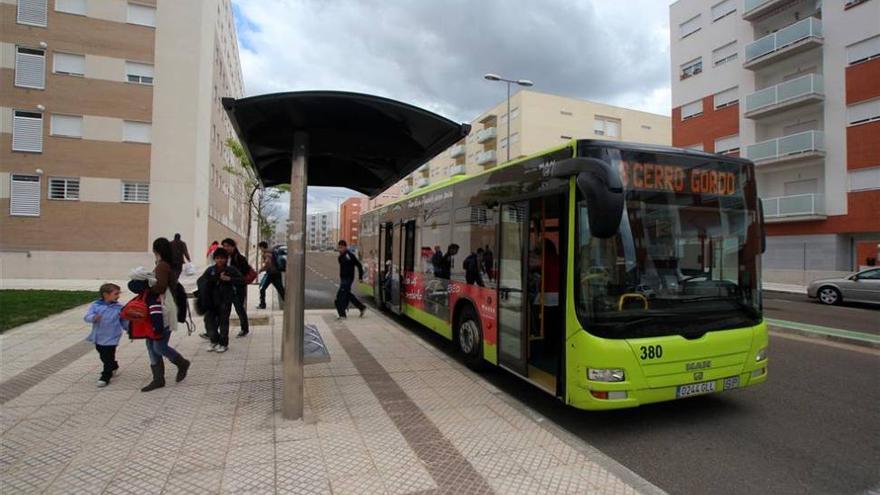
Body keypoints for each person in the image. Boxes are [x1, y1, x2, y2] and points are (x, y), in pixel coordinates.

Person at [141, 237, 191, 392]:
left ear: (156, 250)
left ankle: (181, 362)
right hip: (161, 307)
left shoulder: (162, 265)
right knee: (151, 343)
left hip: (163, 308)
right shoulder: (165, 264)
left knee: (158, 344)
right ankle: (158, 378)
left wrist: (145, 285)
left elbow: (161, 287)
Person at [197, 249, 243, 352]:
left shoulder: (231, 270)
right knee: (209, 321)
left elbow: (241, 280)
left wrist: (229, 279)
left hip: (225, 300)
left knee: (223, 322)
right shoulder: (210, 270)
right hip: (211, 301)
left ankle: (223, 344)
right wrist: (214, 280)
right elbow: (201, 281)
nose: (220, 260)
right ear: (215, 259)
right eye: (218, 258)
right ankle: (214, 340)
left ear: (226, 259)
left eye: (222, 258)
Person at [83, 283, 126, 387]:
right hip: (99, 337)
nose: (118, 296)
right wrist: (93, 318)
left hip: (112, 337)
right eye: (116, 294)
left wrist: (131, 330)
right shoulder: (96, 305)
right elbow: (87, 316)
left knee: (107, 356)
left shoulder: (119, 308)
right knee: (103, 355)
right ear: (106, 295)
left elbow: (125, 321)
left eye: (118, 293)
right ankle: (114, 365)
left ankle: (105, 376)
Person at [221, 238, 252, 338]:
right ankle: (214, 331)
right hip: (226, 289)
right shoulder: (223, 258)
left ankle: (244, 329)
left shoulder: (240, 258)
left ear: (233, 246)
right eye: (224, 246)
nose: (226, 248)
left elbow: (243, 275)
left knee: (239, 309)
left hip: (238, 289)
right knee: (224, 311)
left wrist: (231, 278)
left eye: (228, 246)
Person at [336, 240, 366, 320]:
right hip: (343, 279)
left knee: (339, 297)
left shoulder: (350, 255)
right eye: (339, 248)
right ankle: (361, 307)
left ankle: (342, 315)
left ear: (345, 247)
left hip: (348, 279)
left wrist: (360, 277)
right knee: (347, 295)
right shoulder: (340, 257)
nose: (340, 249)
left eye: (341, 248)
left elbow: (359, 265)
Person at [257, 241, 285, 309]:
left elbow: (268, 263)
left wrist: (261, 270)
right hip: (277, 273)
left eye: (260, 248)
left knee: (262, 288)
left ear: (262, 247)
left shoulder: (266, 253)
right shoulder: (272, 251)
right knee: (281, 290)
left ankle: (262, 305)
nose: (260, 250)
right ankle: (289, 304)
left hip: (271, 274)